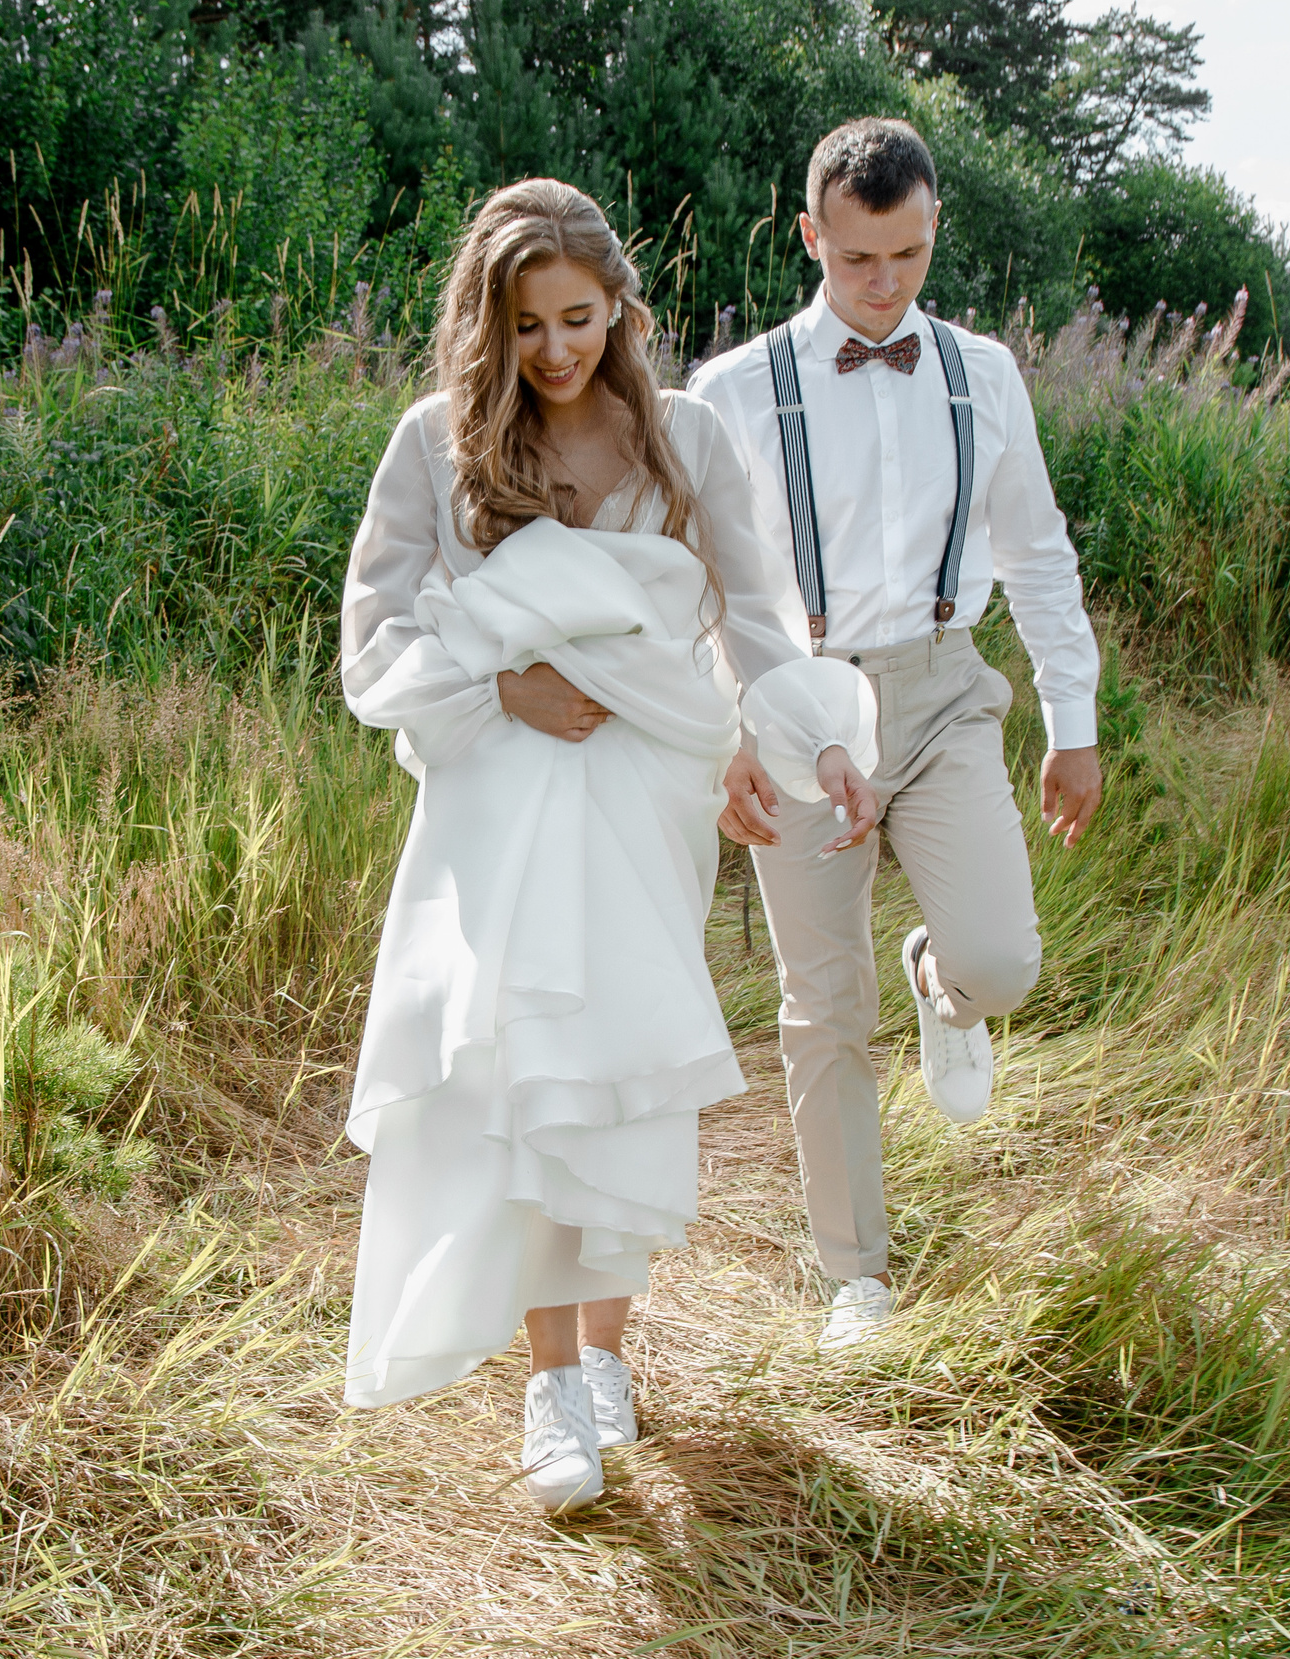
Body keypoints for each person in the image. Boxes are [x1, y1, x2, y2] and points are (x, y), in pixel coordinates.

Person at [337, 178, 879, 1514]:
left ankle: (607, 1356)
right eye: (525, 326)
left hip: (646, 786)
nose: (555, 350)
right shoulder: (435, 442)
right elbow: (376, 638)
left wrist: (816, 740)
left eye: (577, 318)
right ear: (489, 323)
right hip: (504, 786)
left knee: (625, 1075)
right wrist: (499, 687)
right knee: (533, 1070)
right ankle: (549, 1384)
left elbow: (756, 612)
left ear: (621, 308)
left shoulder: (684, 435)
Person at [688, 118, 1105, 1351]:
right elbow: (691, 584)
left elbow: (1036, 552)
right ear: (811, 236)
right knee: (823, 1005)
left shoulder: (985, 373)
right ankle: (854, 1277)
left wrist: (1070, 723)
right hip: (793, 696)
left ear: (933, 233)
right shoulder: (733, 389)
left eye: (909, 256)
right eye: (859, 258)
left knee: (1005, 962)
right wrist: (730, 736)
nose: (884, 285)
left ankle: (944, 983)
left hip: (938, 690)